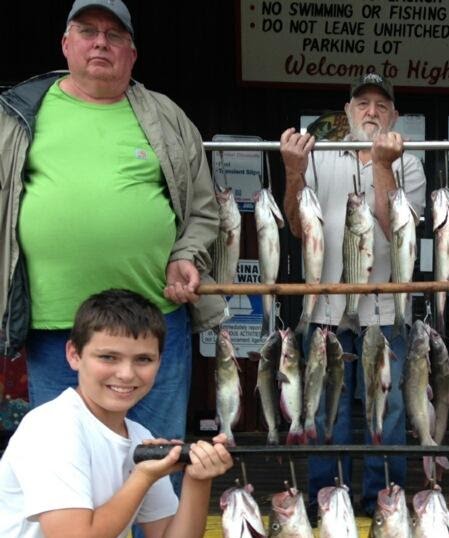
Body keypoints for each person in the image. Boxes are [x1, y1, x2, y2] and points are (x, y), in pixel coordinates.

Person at [0, 0, 225, 457]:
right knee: (66, 465)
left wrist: (186, 254)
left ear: (132, 53)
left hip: (153, 323)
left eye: (115, 34)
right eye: (88, 31)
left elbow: (204, 208)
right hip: (54, 327)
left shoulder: (165, 116)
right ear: (66, 44)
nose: (101, 41)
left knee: (157, 464)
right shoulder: (17, 115)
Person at [279, 72, 426, 515]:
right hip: (325, 309)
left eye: (382, 106)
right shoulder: (320, 157)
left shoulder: (410, 163)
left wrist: (383, 166)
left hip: (385, 312)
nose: (372, 112)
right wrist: (292, 173)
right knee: (328, 409)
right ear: (347, 111)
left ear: (394, 115)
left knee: (392, 407)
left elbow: (393, 225)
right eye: (363, 103)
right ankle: (329, 501)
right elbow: (293, 225)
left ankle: (386, 501)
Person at [0, 289, 234, 538]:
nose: (126, 373)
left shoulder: (138, 436)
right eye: (108, 357)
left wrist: (198, 479)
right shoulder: (51, 427)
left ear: (159, 362)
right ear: (74, 355)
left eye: (143, 359)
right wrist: (143, 477)